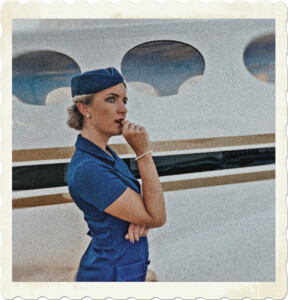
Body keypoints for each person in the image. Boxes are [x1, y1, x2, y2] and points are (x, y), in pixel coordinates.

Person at [67, 67, 166, 282]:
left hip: (121, 270)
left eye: (124, 101)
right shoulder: (89, 168)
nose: (123, 110)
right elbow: (157, 216)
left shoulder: (104, 155)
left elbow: (148, 211)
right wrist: (143, 153)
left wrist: (142, 216)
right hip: (109, 276)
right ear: (84, 108)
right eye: (111, 99)